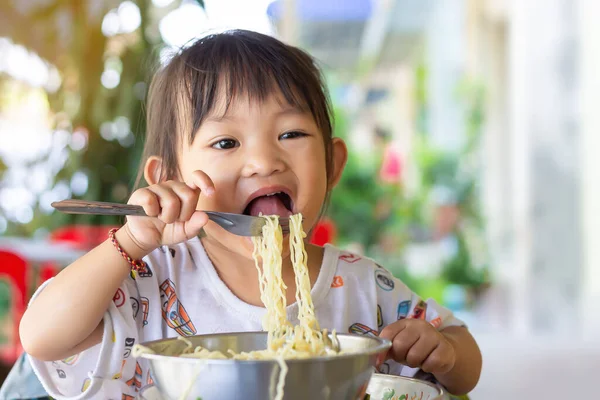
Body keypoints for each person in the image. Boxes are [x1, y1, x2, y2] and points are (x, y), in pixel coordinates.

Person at [18, 30, 482, 399]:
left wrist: (443, 353)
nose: (264, 161)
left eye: (292, 133)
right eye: (226, 142)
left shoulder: (363, 287)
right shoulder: (150, 279)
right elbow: (42, 338)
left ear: (332, 164)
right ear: (169, 176)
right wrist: (131, 242)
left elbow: (464, 358)